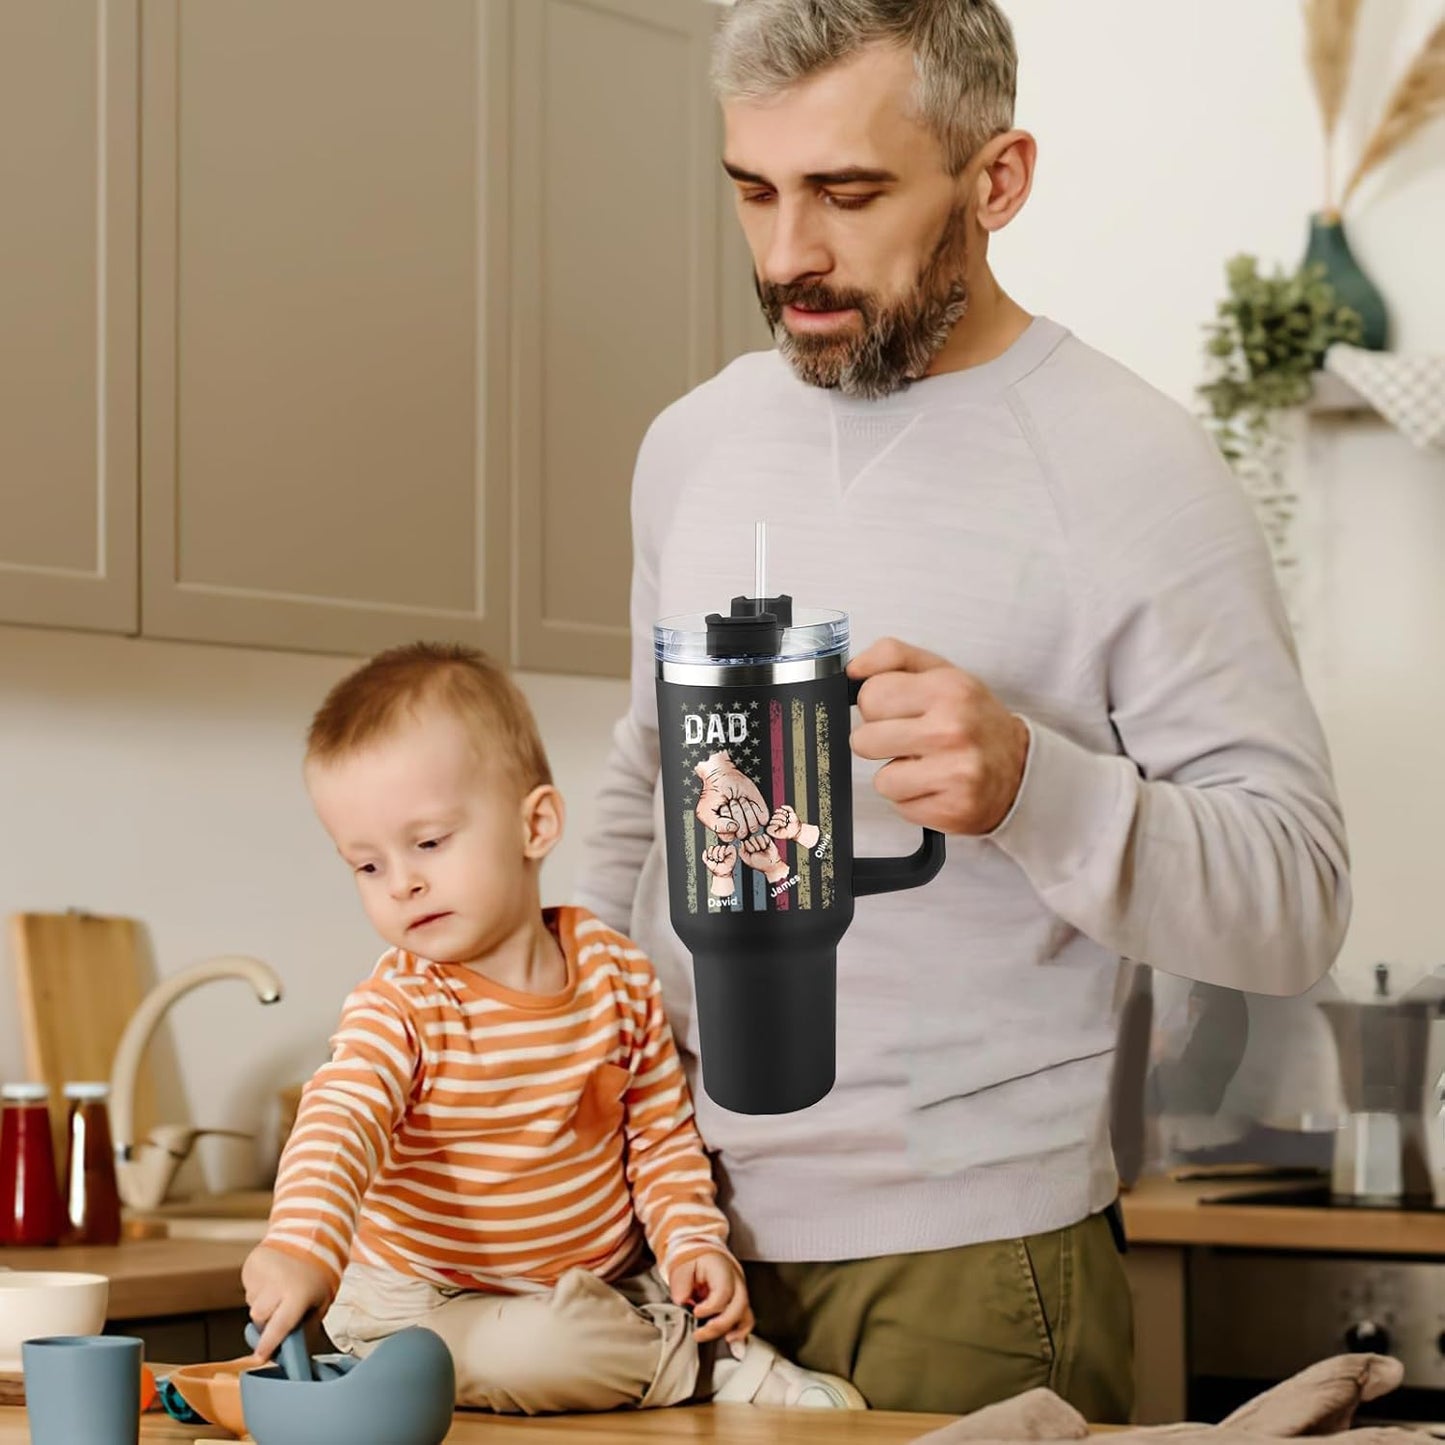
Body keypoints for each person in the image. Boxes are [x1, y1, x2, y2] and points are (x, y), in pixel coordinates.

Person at [575, 0, 1351, 1421]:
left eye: (847, 193)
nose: (787, 252)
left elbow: (1296, 894)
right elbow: (640, 782)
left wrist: (1028, 790)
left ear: (996, 181)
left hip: (967, 1262)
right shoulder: (691, 447)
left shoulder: (1130, 468)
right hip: (666, 1251)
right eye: (755, 189)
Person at [240, 642, 865, 1414]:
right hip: (429, 1302)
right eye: (366, 865)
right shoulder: (400, 1004)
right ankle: (711, 1369)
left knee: (570, 1333)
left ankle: (676, 1345)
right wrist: (301, 1246)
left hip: (607, 1286)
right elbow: (338, 1120)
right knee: (533, 1350)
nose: (401, 881)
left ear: (534, 824)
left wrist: (692, 1244)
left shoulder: (618, 975)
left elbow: (662, 1142)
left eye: (428, 842)